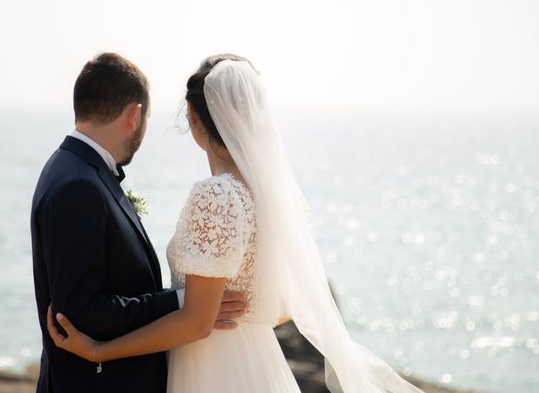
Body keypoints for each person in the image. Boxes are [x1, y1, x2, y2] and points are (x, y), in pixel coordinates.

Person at [46, 54, 426, 393]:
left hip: (211, 365)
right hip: (257, 358)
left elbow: (196, 322)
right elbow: (280, 305)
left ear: (194, 118)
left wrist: (100, 350)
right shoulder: (280, 197)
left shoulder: (217, 195)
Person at [30, 53, 248, 393]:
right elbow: (82, 311)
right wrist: (182, 302)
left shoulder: (76, 170)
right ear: (135, 114)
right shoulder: (79, 185)